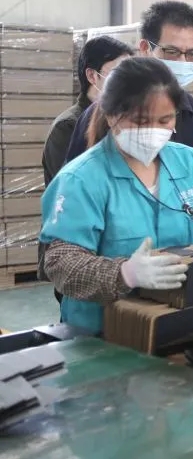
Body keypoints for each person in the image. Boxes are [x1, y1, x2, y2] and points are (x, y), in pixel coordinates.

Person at [39, 57, 193, 336]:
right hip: (103, 335)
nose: (153, 130)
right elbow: (61, 262)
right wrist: (125, 274)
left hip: (181, 321)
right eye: (140, 120)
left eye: (165, 120)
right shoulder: (81, 179)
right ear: (111, 115)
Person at [39, 36, 134, 296]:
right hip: (79, 247)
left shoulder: (125, 122)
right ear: (93, 75)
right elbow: (69, 193)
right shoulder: (68, 126)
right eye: (119, 73)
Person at [64, 0, 193, 163]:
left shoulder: (190, 110)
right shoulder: (107, 110)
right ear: (145, 48)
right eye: (172, 51)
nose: (183, 62)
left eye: (192, 54)